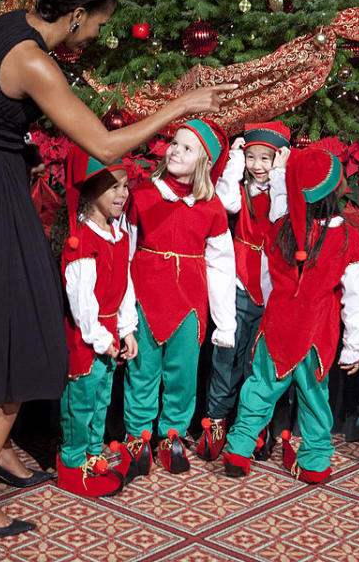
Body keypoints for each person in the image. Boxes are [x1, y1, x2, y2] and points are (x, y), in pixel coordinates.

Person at [0, 0, 236, 538]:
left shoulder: (4, 25)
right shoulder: (34, 62)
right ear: (74, 14)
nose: (100, 32)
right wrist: (179, 106)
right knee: (22, 336)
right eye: (99, 21)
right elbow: (103, 147)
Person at [221, 147, 359, 483]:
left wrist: (282, 173)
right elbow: (358, 299)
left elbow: (281, 200)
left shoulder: (281, 229)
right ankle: (316, 463)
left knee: (259, 389)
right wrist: (354, 346)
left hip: (276, 328)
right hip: (316, 335)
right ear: (336, 191)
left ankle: (238, 449)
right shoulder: (349, 239)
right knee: (314, 398)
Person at [123, 119, 236, 475]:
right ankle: (137, 435)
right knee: (142, 370)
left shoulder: (212, 207)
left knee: (183, 374)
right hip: (146, 295)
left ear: (204, 162)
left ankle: (171, 433)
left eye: (187, 148)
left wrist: (225, 321)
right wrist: (123, 308)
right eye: (174, 143)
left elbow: (221, 265)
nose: (175, 151)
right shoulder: (142, 194)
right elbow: (125, 250)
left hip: (190, 303)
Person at [195, 121, 290, 463]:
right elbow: (225, 201)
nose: (258, 165)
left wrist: (280, 175)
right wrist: (235, 159)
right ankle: (217, 421)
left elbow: (280, 215)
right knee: (226, 356)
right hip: (238, 281)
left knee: (256, 360)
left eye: (267, 158)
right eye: (252, 157)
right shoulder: (240, 188)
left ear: (279, 160)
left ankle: (254, 425)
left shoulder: (283, 190)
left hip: (271, 285)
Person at [49, 145, 137, 498]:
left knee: (102, 398)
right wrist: (100, 337)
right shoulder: (81, 240)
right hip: (88, 338)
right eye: (113, 186)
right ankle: (72, 463)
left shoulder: (120, 233)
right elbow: (81, 300)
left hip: (110, 332)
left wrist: (127, 328)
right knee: (81, 399)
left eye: (125, 186)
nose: (122, 194)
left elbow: (125, 283)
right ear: (90, 191)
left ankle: (92, 455)